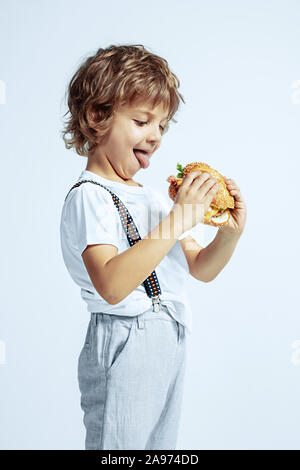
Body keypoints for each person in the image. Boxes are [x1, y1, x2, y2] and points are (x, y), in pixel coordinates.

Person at [59, 44, 247, 450]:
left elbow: (200, 267)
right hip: (124, 336)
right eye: (143, 121)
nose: (156, 136)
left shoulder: (154, 200)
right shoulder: (90, 196)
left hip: (171, 334)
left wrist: (228, 234)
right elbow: (111, 284)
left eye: (162, 125)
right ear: (97, 116)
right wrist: (179, 218)